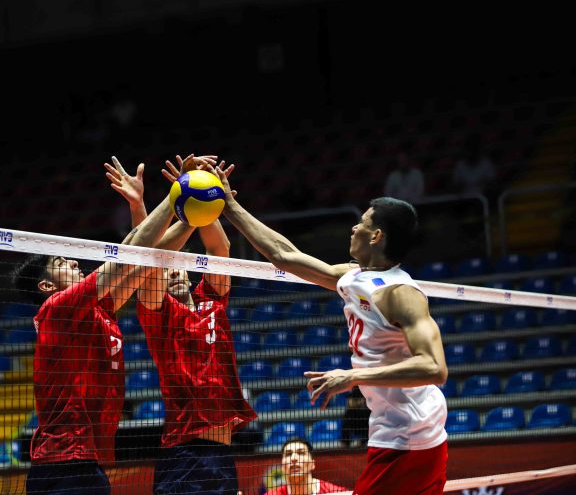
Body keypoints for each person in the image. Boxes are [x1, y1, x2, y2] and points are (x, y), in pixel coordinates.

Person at [214, 165, 449, 495]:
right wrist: (228, 204)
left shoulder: (401, 294)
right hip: (398, 430)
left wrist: (352, 377)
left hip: (410, 435)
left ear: (376, 236)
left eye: (362, 222)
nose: (354, 227)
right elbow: (284, 255)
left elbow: (434, 368)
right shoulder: (354, 277)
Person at [13, 155, 206, 495]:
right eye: (61, 262)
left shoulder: (98, 310)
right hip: (63, 463)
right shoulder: (58, 308)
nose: (73, 261)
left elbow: (145, 262)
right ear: (46, 286)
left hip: (87, 462)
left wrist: (190, 211)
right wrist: (179, 194)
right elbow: (128, 254)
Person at [108, 155, 257, 495]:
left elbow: (220, 246)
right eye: (169, 266)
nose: (173, 269)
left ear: (190, 271)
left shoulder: (213, 298)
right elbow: (148, 260)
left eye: (180, 265)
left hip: (223, 455)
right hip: (184, 455)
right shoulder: (158, 313)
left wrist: (203, 192)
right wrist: (165, 203)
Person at [264, 437, 347, 495]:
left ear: (312, 464)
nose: (294, 458)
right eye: (288, 454)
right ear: (282, 467)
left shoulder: (336, 493)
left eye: (301, 453)